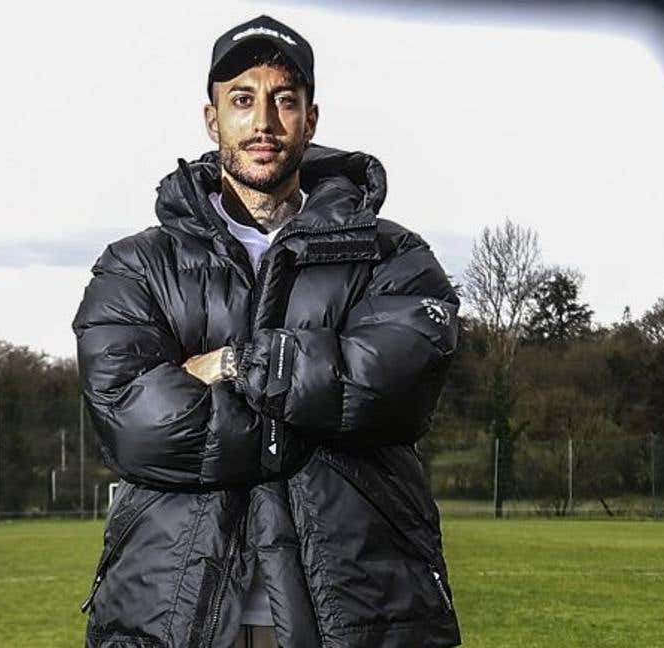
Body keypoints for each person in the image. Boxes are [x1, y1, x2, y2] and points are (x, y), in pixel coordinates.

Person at [72, 14, 462, 648]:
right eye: (243, 99)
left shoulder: (393, 255)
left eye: (285, 100)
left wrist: (230, 365)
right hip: (171, 614)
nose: (264, 122)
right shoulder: (136, 266)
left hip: (361, 611)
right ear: (211, 118)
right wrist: (315, 398)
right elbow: (135, 424)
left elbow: (392, 389)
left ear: (311, 118)